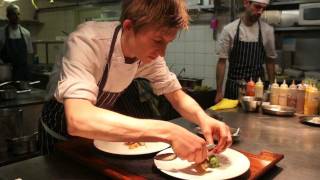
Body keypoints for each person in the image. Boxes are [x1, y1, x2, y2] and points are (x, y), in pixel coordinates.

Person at [39, 0, 232, 164]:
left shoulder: (148, 56)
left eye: (167, 43)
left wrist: (204, 119)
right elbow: (78, 119)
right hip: (59, 138)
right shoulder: (86, 41)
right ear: (129, 27)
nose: (162, 53)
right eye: (157, 41)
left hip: (95, 139)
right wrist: (169, 131)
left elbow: (176, 95)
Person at [215, 0, 277, 102]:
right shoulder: (229, 30)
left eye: (263, 8)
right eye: (257, 7)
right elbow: (222, 62)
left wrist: (272, 89)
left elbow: (270, 61)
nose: (260, 12)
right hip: (234, 88)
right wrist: (219, 91)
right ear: (246, 3)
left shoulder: (267, 30)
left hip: (258, 89)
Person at [0, 4, 33, 81]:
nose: (17, 16)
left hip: (22, 74)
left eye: (18, 14)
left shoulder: (26, 33)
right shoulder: (1, 33)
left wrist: (29, 71)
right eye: (14, 14)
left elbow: (30, 53)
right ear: (8, 16)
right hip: (6, 73)